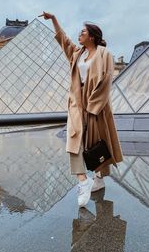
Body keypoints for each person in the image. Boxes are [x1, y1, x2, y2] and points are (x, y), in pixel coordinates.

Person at [40, 12, 123, 207]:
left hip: (96, 104)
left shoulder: (105, 54)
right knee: (74, 139)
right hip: (77, 102)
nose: (80, 34)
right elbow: (63, 40)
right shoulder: (78, 53)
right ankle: (83, 181)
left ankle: (99, 179)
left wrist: (93, 107)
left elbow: (106, 81)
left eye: (83, 32)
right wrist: (54, 20)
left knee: (97, 142)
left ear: (92, 36)